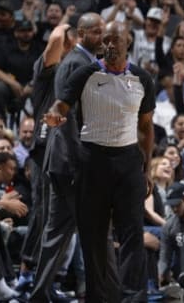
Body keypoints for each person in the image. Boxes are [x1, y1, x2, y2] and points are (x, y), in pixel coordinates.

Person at [44, 20, 155, 302]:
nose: (108, 45)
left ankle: (133, 297)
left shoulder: (142, 78)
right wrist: (56, 114)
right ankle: (99, 297)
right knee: (93, 237)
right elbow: (62, 103)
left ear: (128, 42)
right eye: (105, 40)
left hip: (129, 162)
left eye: (115, 40)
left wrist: (147, 168)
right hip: (92, 161)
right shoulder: (85, 73)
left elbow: (146, 127)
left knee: (133, 235)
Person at [30, 15, 103, 302]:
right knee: (89, 228)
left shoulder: (79, 61)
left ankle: (41, 292)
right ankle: (98, 291)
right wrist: (79, 162)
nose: (101, 36)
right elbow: (68, 117)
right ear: (81, 34)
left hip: (63, 159)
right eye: (96, 31)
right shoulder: (76, 63)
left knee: (58, 231)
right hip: (69, 161)